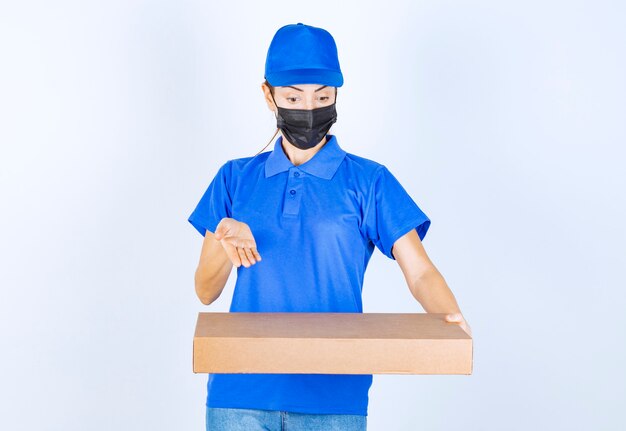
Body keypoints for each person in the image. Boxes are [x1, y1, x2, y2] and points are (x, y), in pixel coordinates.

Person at [188, 22, 472, 431]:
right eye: (293, 97)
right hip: (240, 392)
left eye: (322, 96)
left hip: (334, 395)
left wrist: (452, 318)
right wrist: (223, 239)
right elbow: (205, 291)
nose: (309, 109)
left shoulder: (369, 181)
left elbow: (420, 270)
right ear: (268, 95)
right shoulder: (235, 178)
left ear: (337, 94)